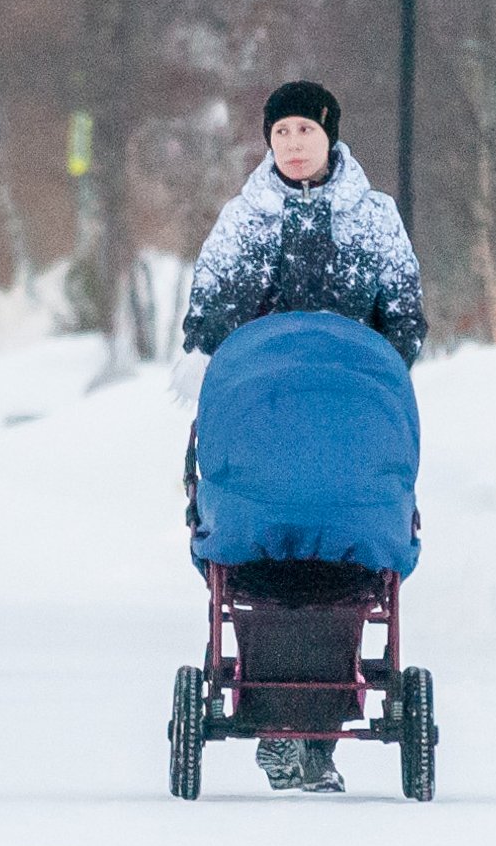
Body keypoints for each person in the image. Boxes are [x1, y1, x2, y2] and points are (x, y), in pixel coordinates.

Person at [177, 80, 428, 794]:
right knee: (296, 560)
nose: (293, 144)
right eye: (281, 131)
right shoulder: (243, 221)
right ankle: (290, 731)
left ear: (330, 136)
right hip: (265, 428)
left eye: (306, 131)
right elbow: (208, 318)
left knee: (323, 569)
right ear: (268, 140)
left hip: (345, 431)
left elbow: (403, 320)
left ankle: (306, 737)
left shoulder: (373, 220)